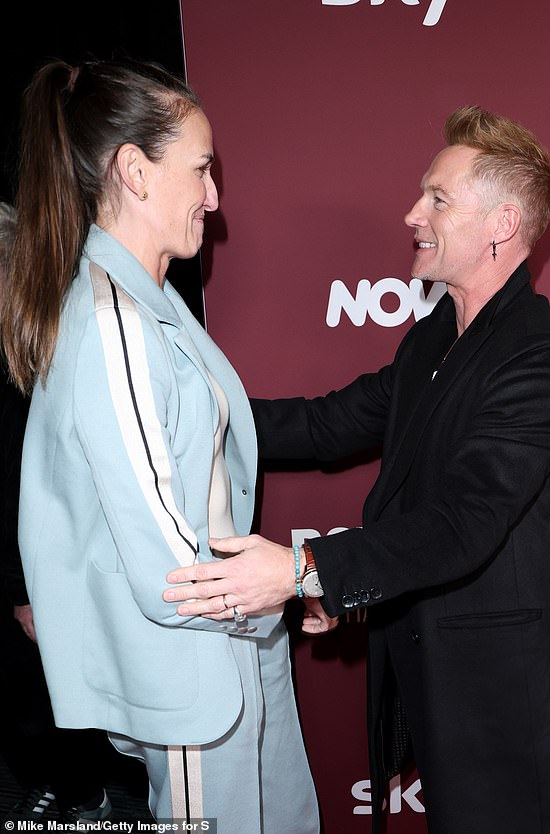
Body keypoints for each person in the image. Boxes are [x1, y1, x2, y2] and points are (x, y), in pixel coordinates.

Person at [163, 106, 550, 834]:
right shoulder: (433, 341)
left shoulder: (542, 357)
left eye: (438, 198)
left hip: (501, 705)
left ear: (503, 223)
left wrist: (305, 569)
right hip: (435, 684)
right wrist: (187, 410)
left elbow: (461, 526)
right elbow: (326, 423)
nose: (412, 214)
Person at [0, 60, 319, 831]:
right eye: (202, 169)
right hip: (191, 669)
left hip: (232, 646)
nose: (214, 197)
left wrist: (280, 592)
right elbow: (167, 564)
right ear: (134, 172)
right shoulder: (114, 319)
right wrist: (299, 577)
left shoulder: (155, 306)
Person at [0, 202, 112, 825]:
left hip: (30, 569)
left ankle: (81, 798)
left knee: (41, 692)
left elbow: (29, 482)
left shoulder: (30, 357)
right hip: (21, 571)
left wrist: (23, 589)